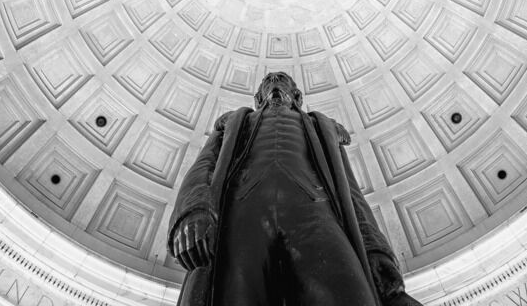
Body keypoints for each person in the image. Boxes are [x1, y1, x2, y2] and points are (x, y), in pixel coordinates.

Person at [168, 71, 423, 306]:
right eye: (268, 82)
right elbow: (204, 166)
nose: (275, 85)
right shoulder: (232, 123)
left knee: (353, 295)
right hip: (241, 218)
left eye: (282, 81)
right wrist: (192, 210)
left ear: (298, 96)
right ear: (258, 98)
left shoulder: (324, 129)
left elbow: (353, 195)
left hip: (316, 216)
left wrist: (383, 269)